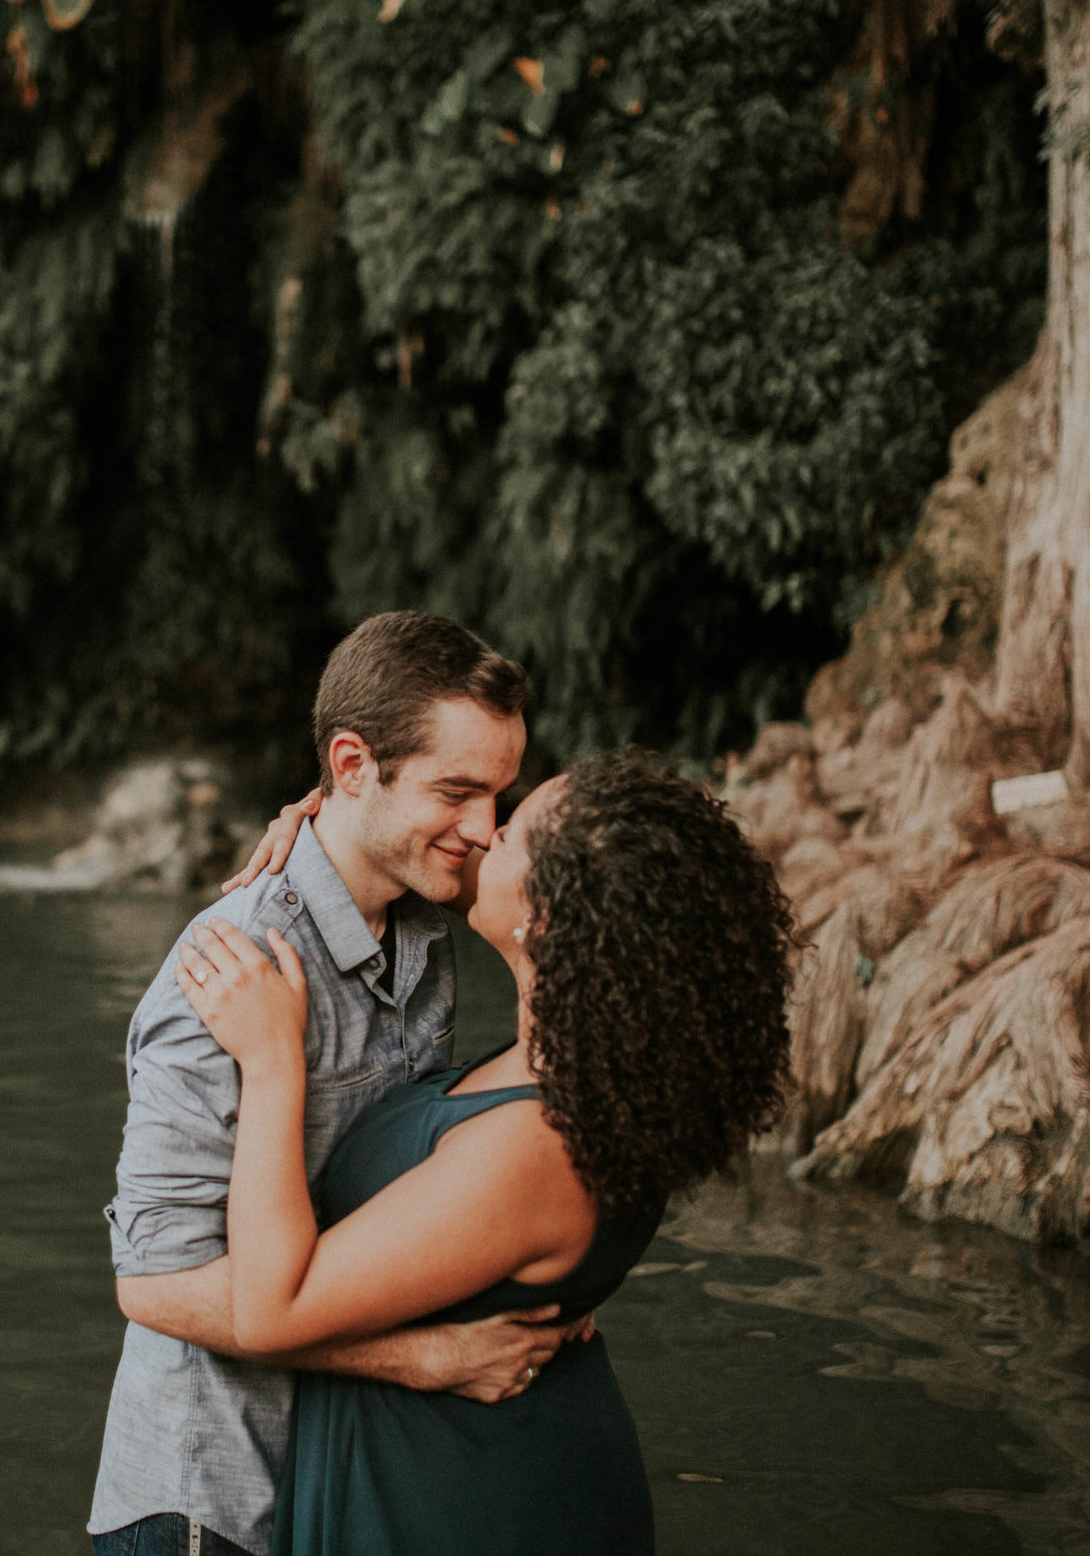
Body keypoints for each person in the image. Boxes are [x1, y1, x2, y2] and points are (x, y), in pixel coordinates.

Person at [177, 747, 794, 1554]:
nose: (484, 830)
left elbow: (268, 1308)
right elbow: (414, 845)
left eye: (509, 834)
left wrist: (271, 1061)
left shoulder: (536, 1150)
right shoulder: (597, 1078)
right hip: (496, 1463)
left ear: (544, 919)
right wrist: (337, 817)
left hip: (455, 1501)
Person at [91, 611, 575, 1556]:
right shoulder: (230, 968)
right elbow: (153, 1285)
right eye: (458, 792)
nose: (483, 831)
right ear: (353, 765)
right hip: (211, 1504)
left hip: (341, 1487)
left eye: (498, 797)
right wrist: (423, 1358)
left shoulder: (426, 921)